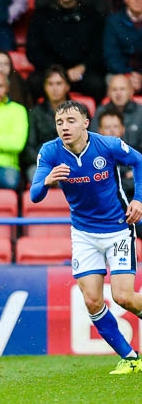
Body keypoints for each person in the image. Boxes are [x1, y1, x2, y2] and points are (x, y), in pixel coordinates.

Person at [31, 99, 142, 374]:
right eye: (59, 122)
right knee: (92, 301)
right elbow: (35, 195)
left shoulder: (108, 145)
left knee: (123, 296)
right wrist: (46, 181)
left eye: (70, 121)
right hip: (83, 234)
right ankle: (131, 358)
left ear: (85, 123)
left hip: (117, 228)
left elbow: (139, 161)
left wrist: (139, 199)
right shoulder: (50, 152)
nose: (64, 127)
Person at [26, 0, 106, 105]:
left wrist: (82, 67)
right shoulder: (41, 15)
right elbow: (33, 51)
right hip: (51, 72)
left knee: (97, 84)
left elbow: (98, 51)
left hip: (79, 74)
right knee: (33, 82)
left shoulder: (92, 16)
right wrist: (56, 70)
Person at [23, 65, 71, 183]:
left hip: (71, 165)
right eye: (50, 84)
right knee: (35, 175)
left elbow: (87, 143)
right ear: (45, 87)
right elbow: (30, 147)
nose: (55, 88)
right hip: (43, 165)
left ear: (67, 86)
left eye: (59, 83)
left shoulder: (79, 112)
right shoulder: (35, 112)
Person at [103, 0, 142, 94]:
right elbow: (111, 56)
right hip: (121, 73)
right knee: (116, 85)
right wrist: (129, 74)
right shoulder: (113, 22)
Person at [89, 74, 142, 152]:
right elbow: (94, 142)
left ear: (131, 91)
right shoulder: (100, 111)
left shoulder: (140, 112)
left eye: (122, 89)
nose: (118, 93)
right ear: (109, 93)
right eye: (114, 89)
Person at [96, 107, 135, 202]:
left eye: (116, 126)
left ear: (123, 129)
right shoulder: (93, 153)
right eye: (107, 127)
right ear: (100, 130)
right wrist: (128, 178)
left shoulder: (133, 152)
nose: (112, 131)